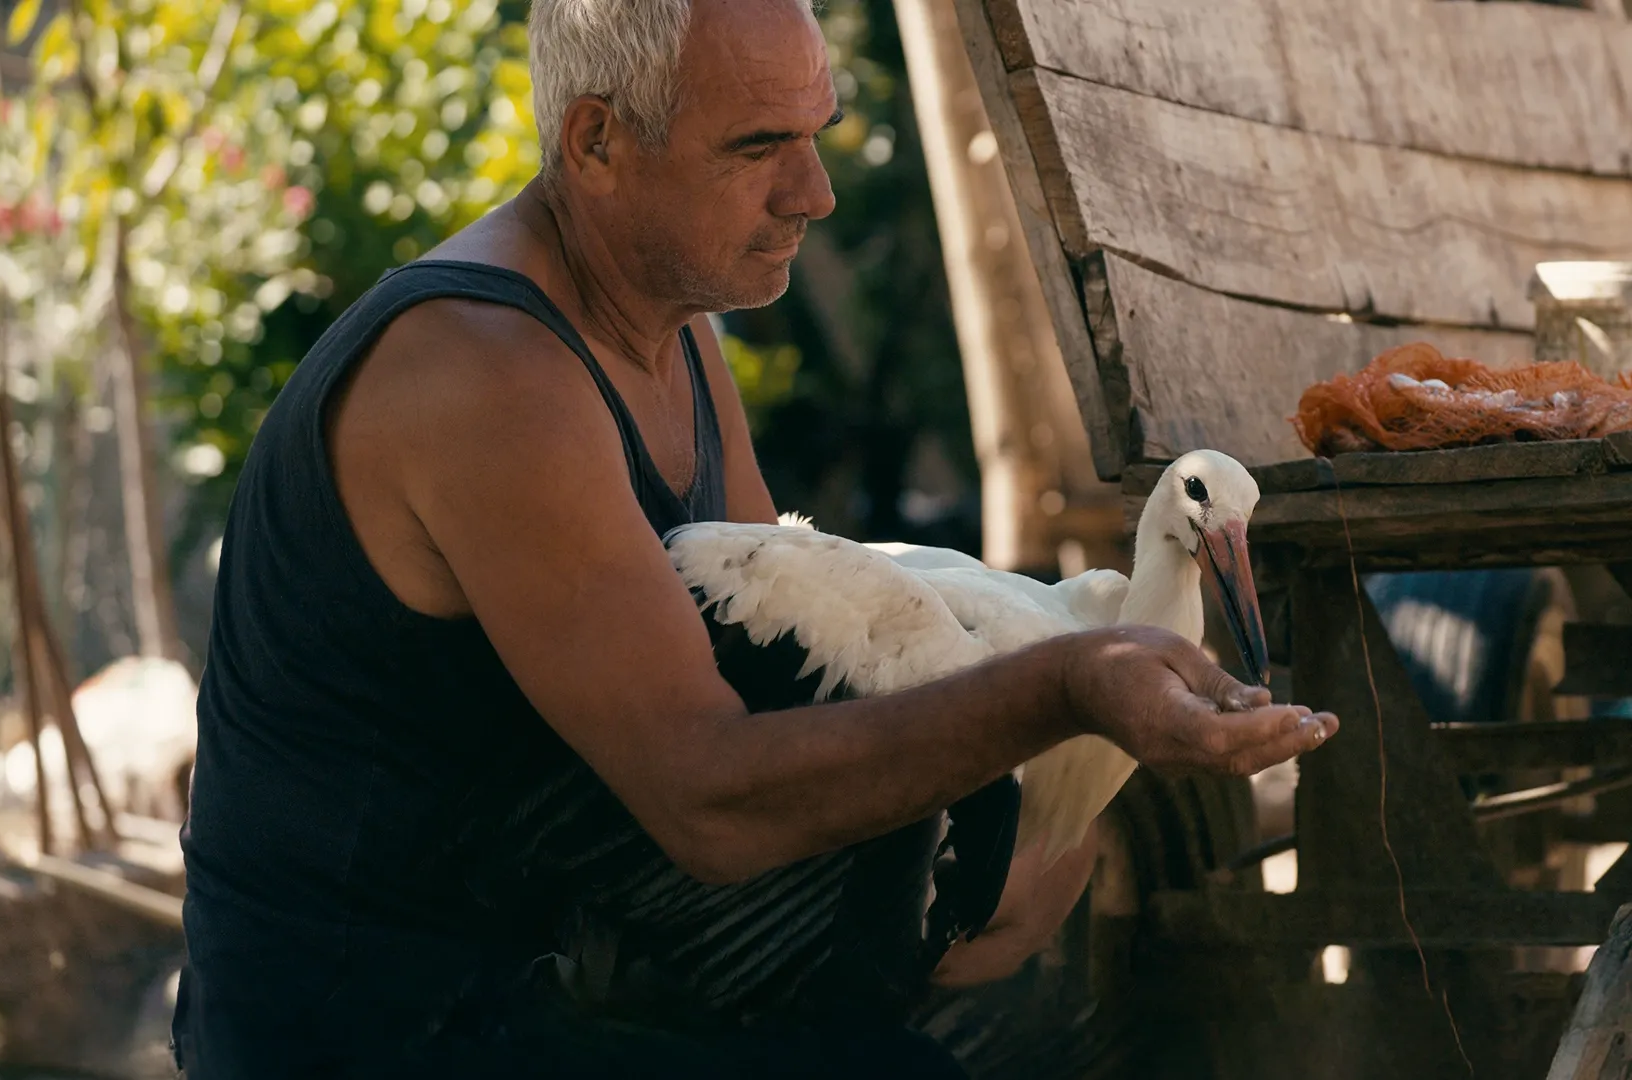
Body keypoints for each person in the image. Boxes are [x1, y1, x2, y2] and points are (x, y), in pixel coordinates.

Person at [168, 0, 1338, 1075]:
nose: (813, 193)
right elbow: (711, 800)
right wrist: (1068, 689)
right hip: (376, 1037)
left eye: (817, 134)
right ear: (596, 142)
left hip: (574, 983)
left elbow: (779, 673)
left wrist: (1026, 814)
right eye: (758, 146)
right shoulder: (488, 373)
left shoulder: (670, 329)